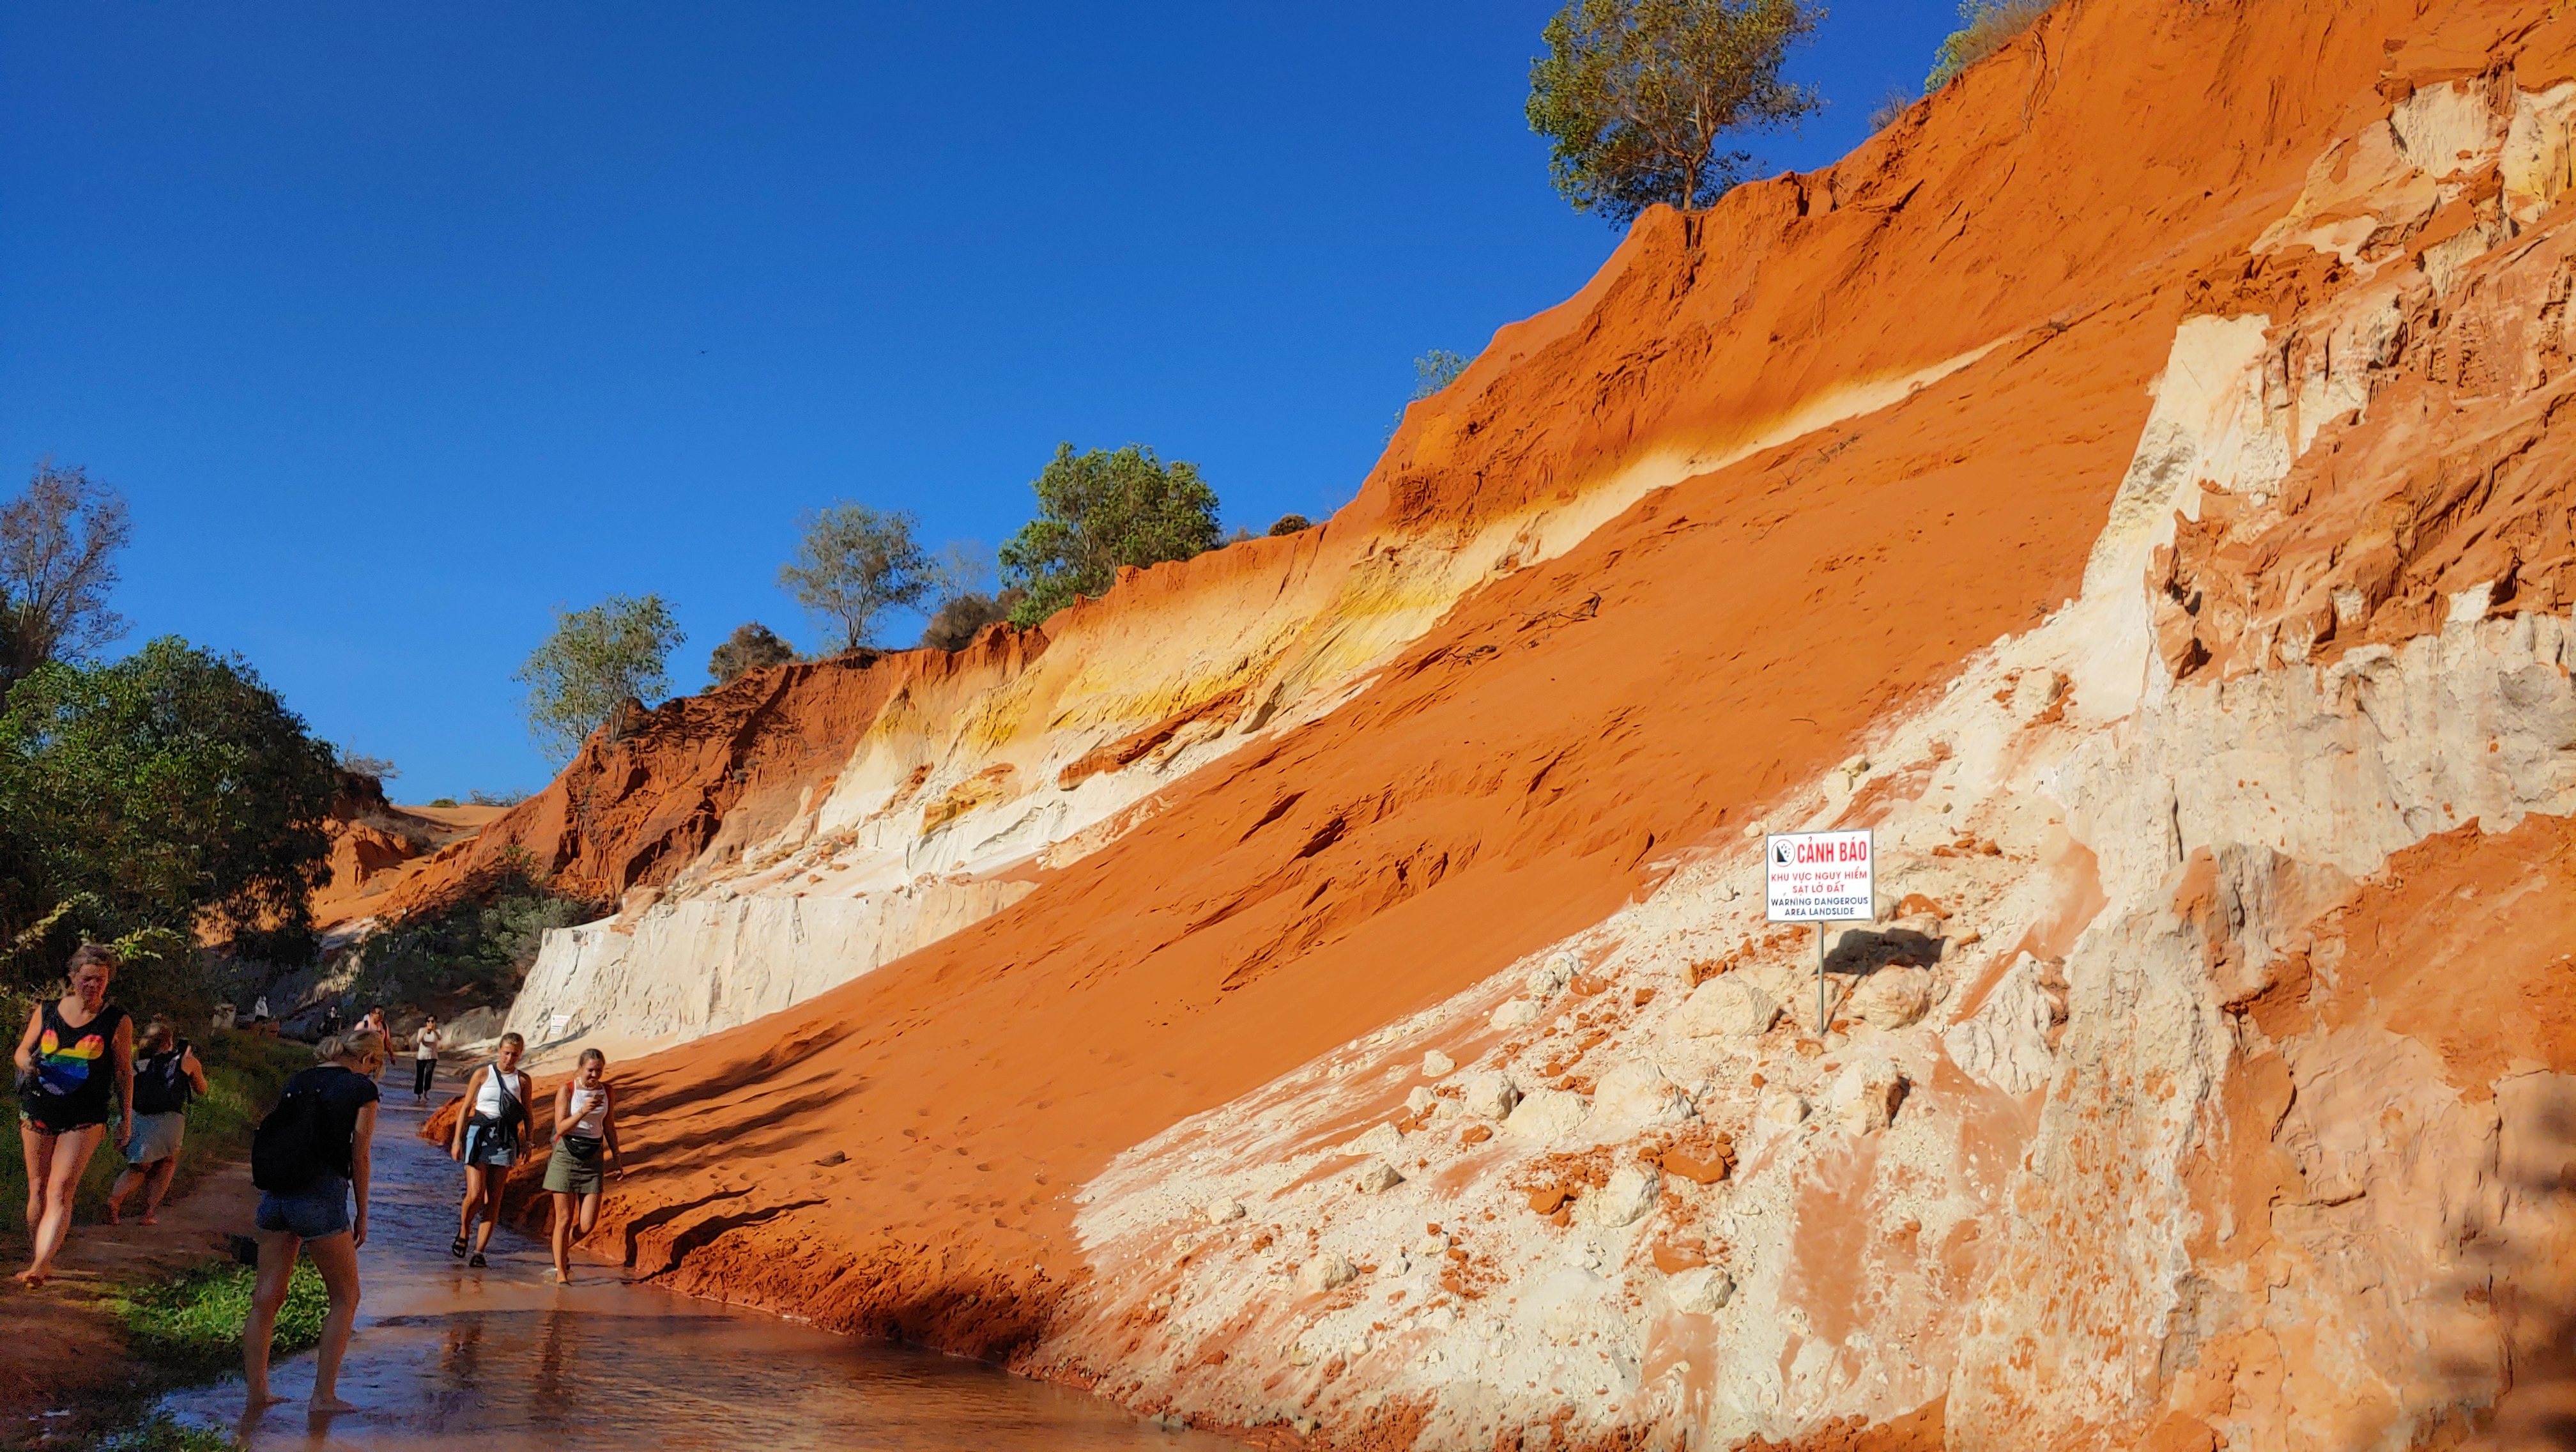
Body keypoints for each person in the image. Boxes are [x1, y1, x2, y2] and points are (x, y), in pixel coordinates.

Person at [244, 1029, 382, 1414]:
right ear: (369, 1061)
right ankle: (323, 1397)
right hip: (320, 1197)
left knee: (266, 1297)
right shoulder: (362, 1089)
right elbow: (361, 1156)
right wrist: (363, 1213)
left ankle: (257, 1394)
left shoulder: (299, 1080)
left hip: (276, 1196)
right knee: (345, 1297)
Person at [13, 943, 134, 1285]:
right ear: (73, 978)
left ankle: (40, 1264)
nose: (94, 986)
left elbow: (124, 1073)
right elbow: (23, 1050)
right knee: (37, 1188)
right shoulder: (48, 1010)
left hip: (86, 1115)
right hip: (38, 1107)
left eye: (101, 979)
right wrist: (27, 1063)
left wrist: (127, 1119)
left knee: (61, 1188)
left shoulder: (116, 1020)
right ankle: (39, 1255)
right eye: (88, 979)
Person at [106, 1020, 207, 1225]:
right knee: (167, 1163)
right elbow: (202, 1089)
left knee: (139, 1167)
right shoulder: (185, 1061)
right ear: (169, 1041)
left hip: (136, 1118)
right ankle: (148, 1212)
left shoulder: (136, 1064)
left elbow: (123, 1092)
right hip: (169, 1122)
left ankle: (114, 1201)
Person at [448, 1033, 530, 1269]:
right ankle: (464, 1231)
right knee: (475, 1193)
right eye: (506, 1053)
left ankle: (479, 1251)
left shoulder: (523, 1080)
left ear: (520, 1055)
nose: (509, 1058)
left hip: (506, 1138)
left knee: (494, 1198)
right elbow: (465, 1108)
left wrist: (529, 1142)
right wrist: (457, 1140)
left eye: (514, 1054)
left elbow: (527, 1113)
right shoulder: (483, 1074)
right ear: (499, 1051)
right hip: (479, 1133)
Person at [542, 1049, 622, 1285]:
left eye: (599, 1070)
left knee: (587, 1223)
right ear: (580, 1068)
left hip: (594, 1156)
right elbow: (561, 1127)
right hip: (567, 1154)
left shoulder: (607, 1091)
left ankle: (561, 1252)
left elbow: (609, 1124)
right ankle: (561, 1274)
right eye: (590, 1070)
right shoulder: (567, 1090)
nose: (594, 1075)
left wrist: (617, 1155)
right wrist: (582, 1111)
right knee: (564, 1219)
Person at [410, 1017, 441, 1102]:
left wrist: (434, 1030)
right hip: (422, 1056)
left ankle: (426, 1092)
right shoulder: (421, 1030)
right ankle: (419, 1093)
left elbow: (440, 1038)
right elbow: (418, 1040)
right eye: (429, 1021)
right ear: (426, 1023)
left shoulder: (437, 1032)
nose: (430, 1023)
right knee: (420, 1075)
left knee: (429, 1074)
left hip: (432, 1056)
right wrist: (425, 1031)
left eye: (432, 1021)